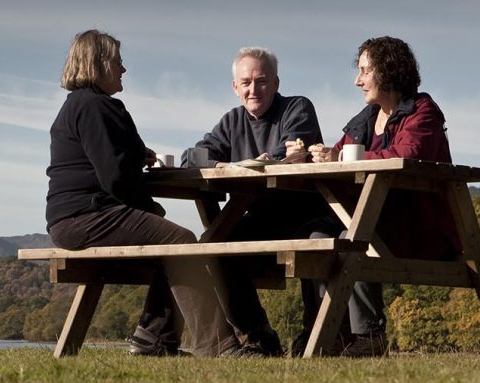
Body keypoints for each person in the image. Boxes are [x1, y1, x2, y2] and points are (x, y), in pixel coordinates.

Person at [45, 30, 239, 357]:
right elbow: (115, 177)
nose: (124, 69)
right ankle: (218, 347)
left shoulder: (80, 106)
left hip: (72, 218)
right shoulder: (96, 107)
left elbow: (108, 160)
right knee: (181, 243)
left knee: (172, 242)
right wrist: (150, 208)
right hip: (87, 215)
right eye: (118, 62)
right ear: (99, 64)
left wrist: (136, 155)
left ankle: (154, 339)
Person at [127, 47, 326, 357]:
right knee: (215, 248)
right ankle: (257, 334)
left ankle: (312, 334)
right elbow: (193, 155)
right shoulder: (232, 120)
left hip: (304, 215)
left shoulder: (296, 108)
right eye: (245, 82)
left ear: (275, 82)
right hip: (260, 216)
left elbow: (294, 149)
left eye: (261, 81)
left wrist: (262, 162)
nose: (253, 89)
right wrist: (238, 164)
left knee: (308, 243)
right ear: (235, 87)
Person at [299, 36, 463, 357]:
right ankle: (326, 332)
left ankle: (369, 336)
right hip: (376, 220)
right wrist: (310, 156)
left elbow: (407, 155)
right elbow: (337, 155)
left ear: (388, 70)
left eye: (364, 71)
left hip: (419, 230)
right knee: (317, 235)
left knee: (352, 236)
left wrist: (343, 160)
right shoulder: (365, 120)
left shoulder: (422, 113)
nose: (357, 80)